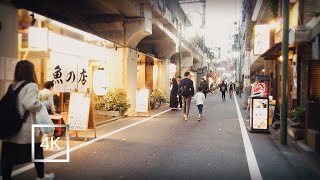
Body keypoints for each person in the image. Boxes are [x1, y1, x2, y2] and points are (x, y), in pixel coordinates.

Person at [1, 60, 55, 180]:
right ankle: (41, 176)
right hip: (25, 128)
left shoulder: (13, 84)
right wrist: (41, 104)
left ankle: (5, 177)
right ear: (30, 71)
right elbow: (30, 104)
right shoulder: (31, 85)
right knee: (37, 151)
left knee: (8, 156)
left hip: (12, 125)